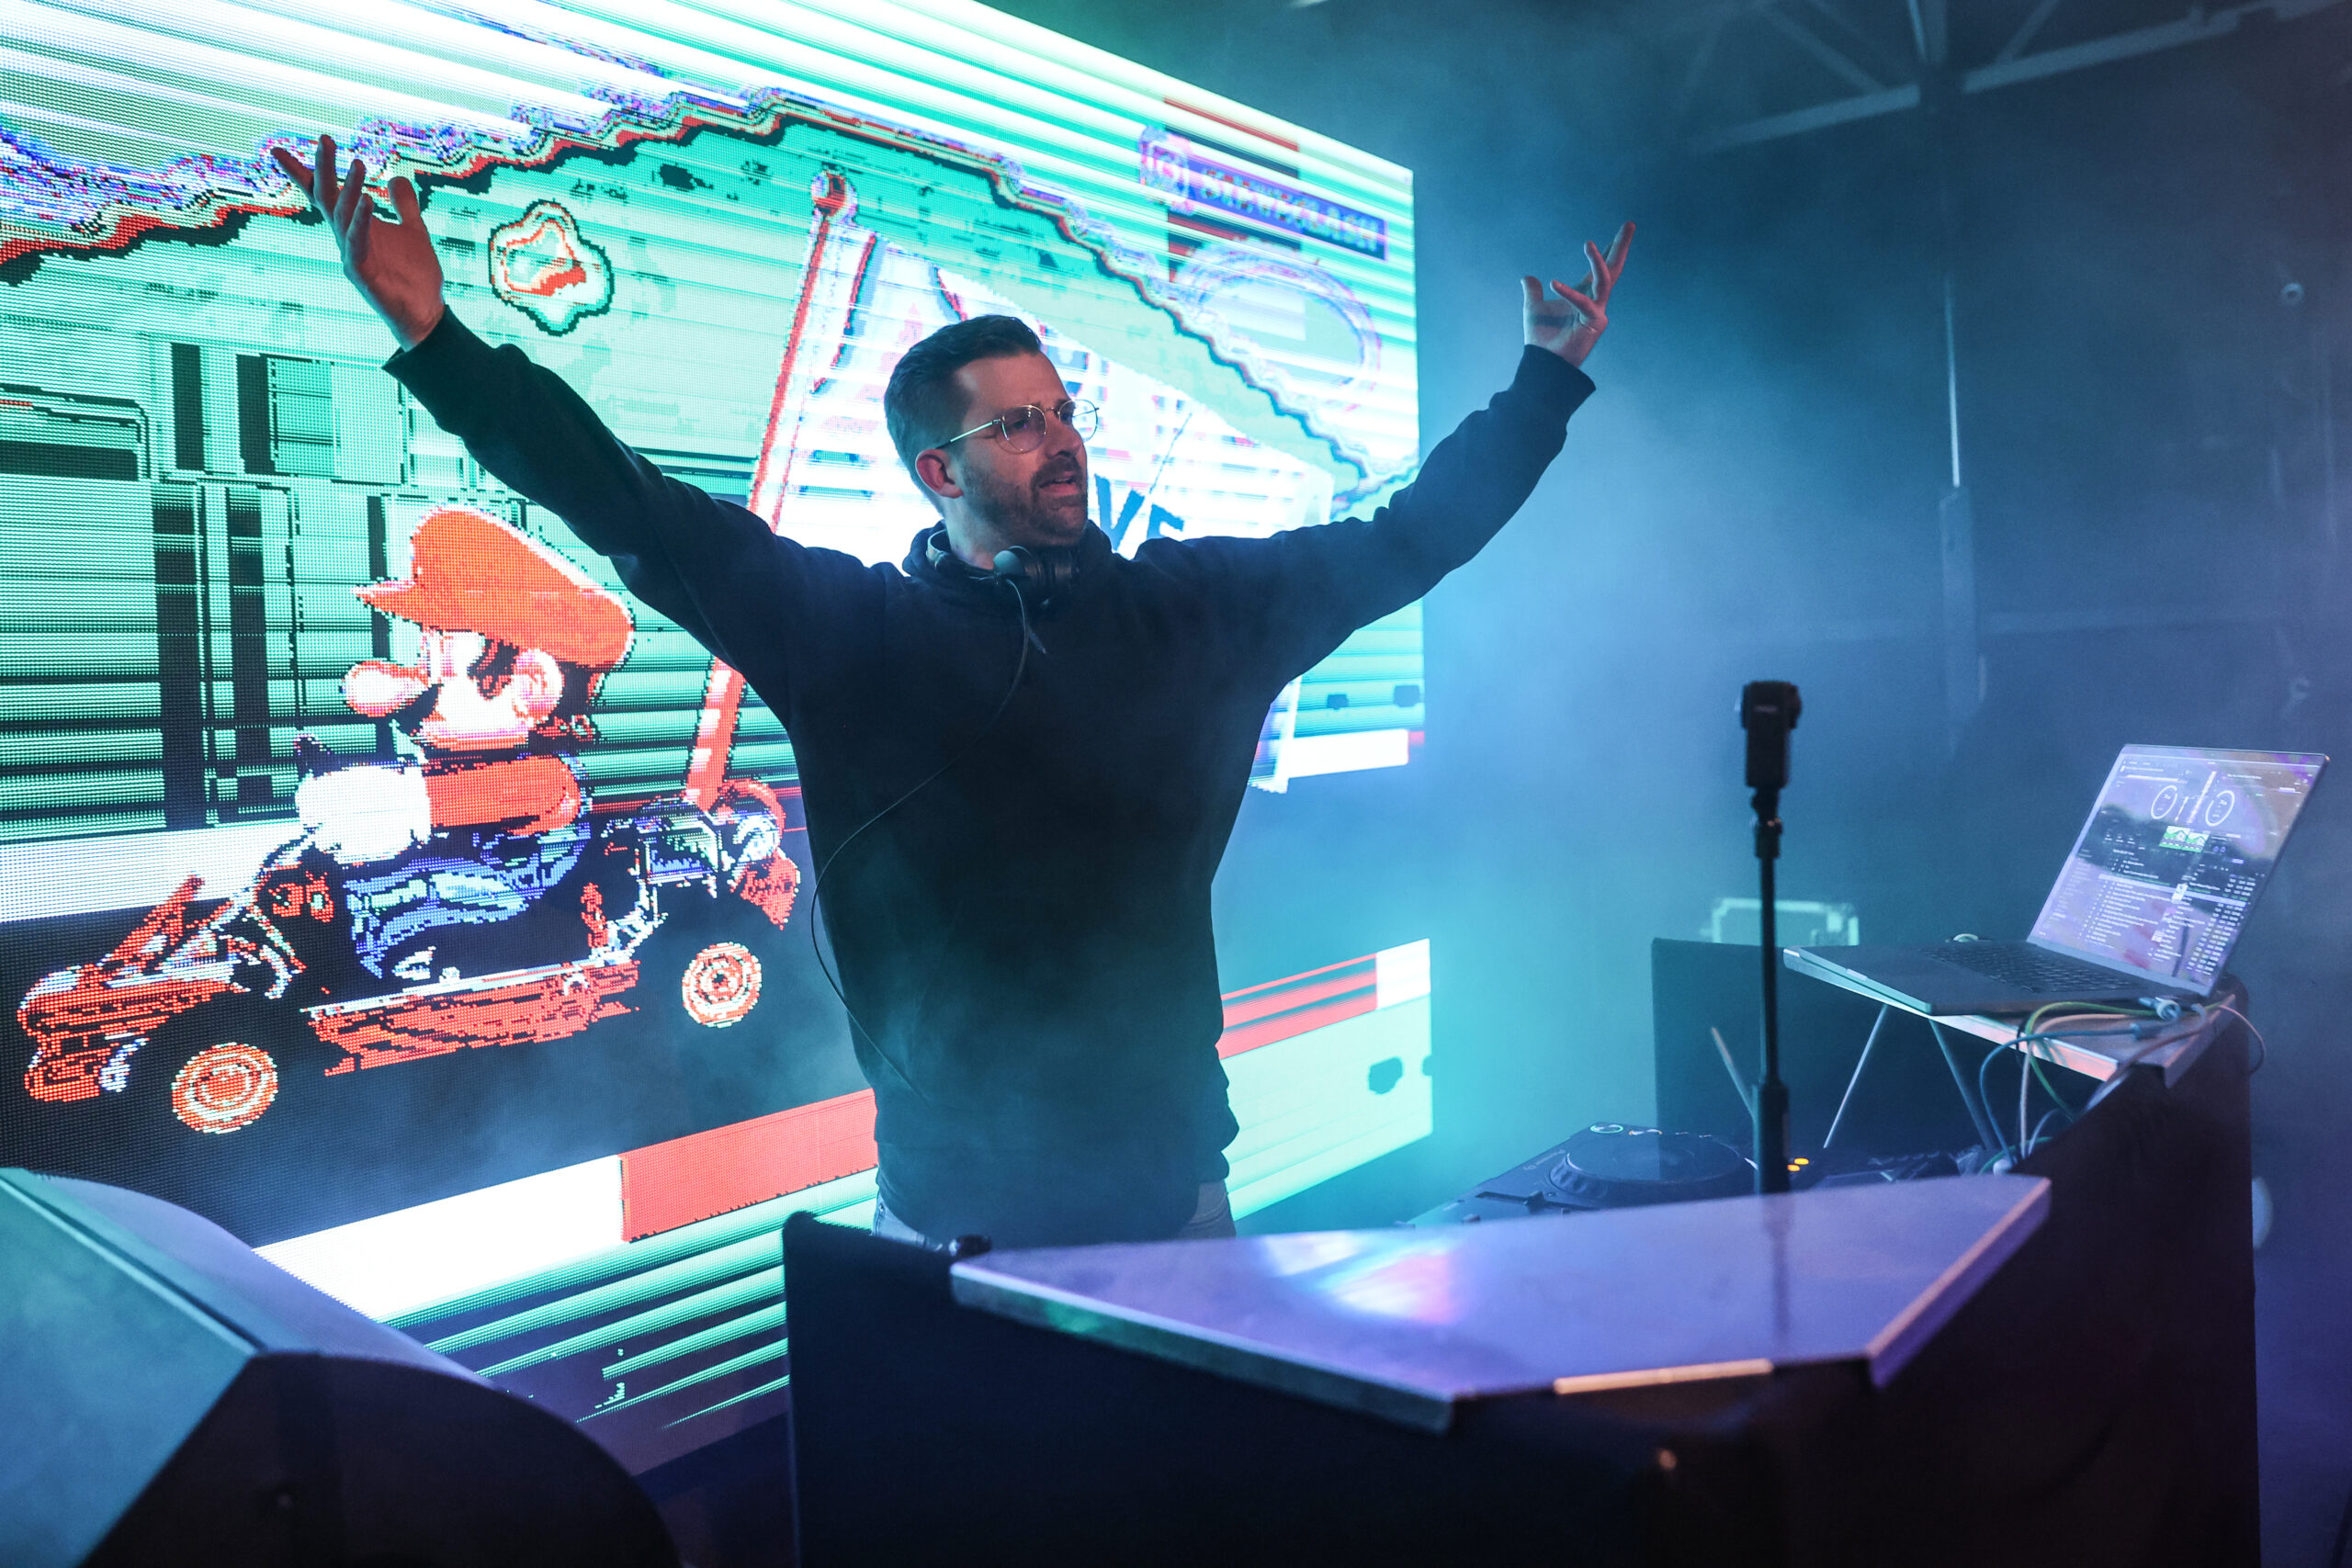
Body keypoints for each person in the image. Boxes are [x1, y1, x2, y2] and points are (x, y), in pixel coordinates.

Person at [273, 135, 1632, 1248]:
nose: (1063, 439)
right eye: (1019, 422)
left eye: (1065, 411)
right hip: (949, 1207)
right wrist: (436, 340)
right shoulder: (854, 634)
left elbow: (1410, 539)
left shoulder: (1196, 611)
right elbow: (628, 506)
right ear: (938, 471)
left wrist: (1543, 384)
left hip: (1170, 1193)